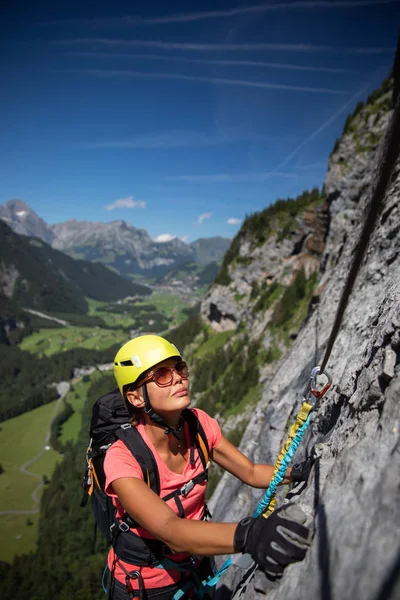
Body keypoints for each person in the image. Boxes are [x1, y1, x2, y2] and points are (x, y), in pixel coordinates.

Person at [104, 334, 312, 599]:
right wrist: (250, 534)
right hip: (147, 587)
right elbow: (170, 530)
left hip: (198, 566)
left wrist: (296, 472)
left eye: (179, 368)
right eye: (162, 375)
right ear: (135, 398)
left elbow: (250, 471)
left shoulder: (198, 425)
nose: (179, 378)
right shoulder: (123, 459)